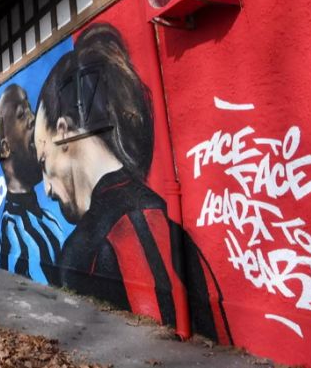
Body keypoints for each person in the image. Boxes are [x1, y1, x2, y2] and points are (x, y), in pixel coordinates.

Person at [34, 23, 231, 341]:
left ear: (64, 132)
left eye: (43, 162)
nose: (45, 187)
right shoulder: (165, 222)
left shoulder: (93, 247)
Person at [0, 84, 62, 284]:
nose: (33, 118)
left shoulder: (49, 219)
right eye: (22, 114)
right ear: (5, 148)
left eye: (30, 109)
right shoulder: (13, 235)